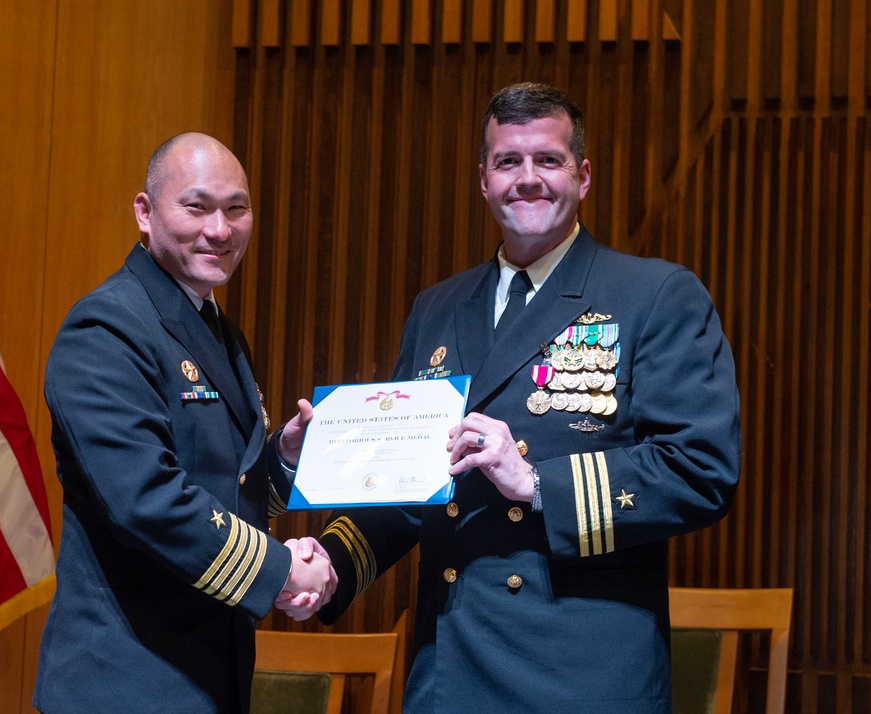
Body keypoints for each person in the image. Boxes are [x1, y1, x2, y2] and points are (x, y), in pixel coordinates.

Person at [308, 83, 741, 711]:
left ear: (583, 176)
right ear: (483, 179)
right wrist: (331, 566)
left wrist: (537, 483)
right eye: (508, 162)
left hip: (581, 675)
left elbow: (702, 470)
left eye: (549, 160)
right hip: (451, 667)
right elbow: (406, 485)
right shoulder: (438, 308)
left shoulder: (653, 295)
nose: (527, 179)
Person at [34, 133, 334, 714]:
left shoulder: (214, 326)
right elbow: (146, 499)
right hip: (125, 678)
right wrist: (280, 571)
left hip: (205, 671)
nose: (219, 230)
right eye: (196, 207)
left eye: (236, 208)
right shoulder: (106, 328)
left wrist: (284, 460)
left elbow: (219, 482)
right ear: (145, 214)